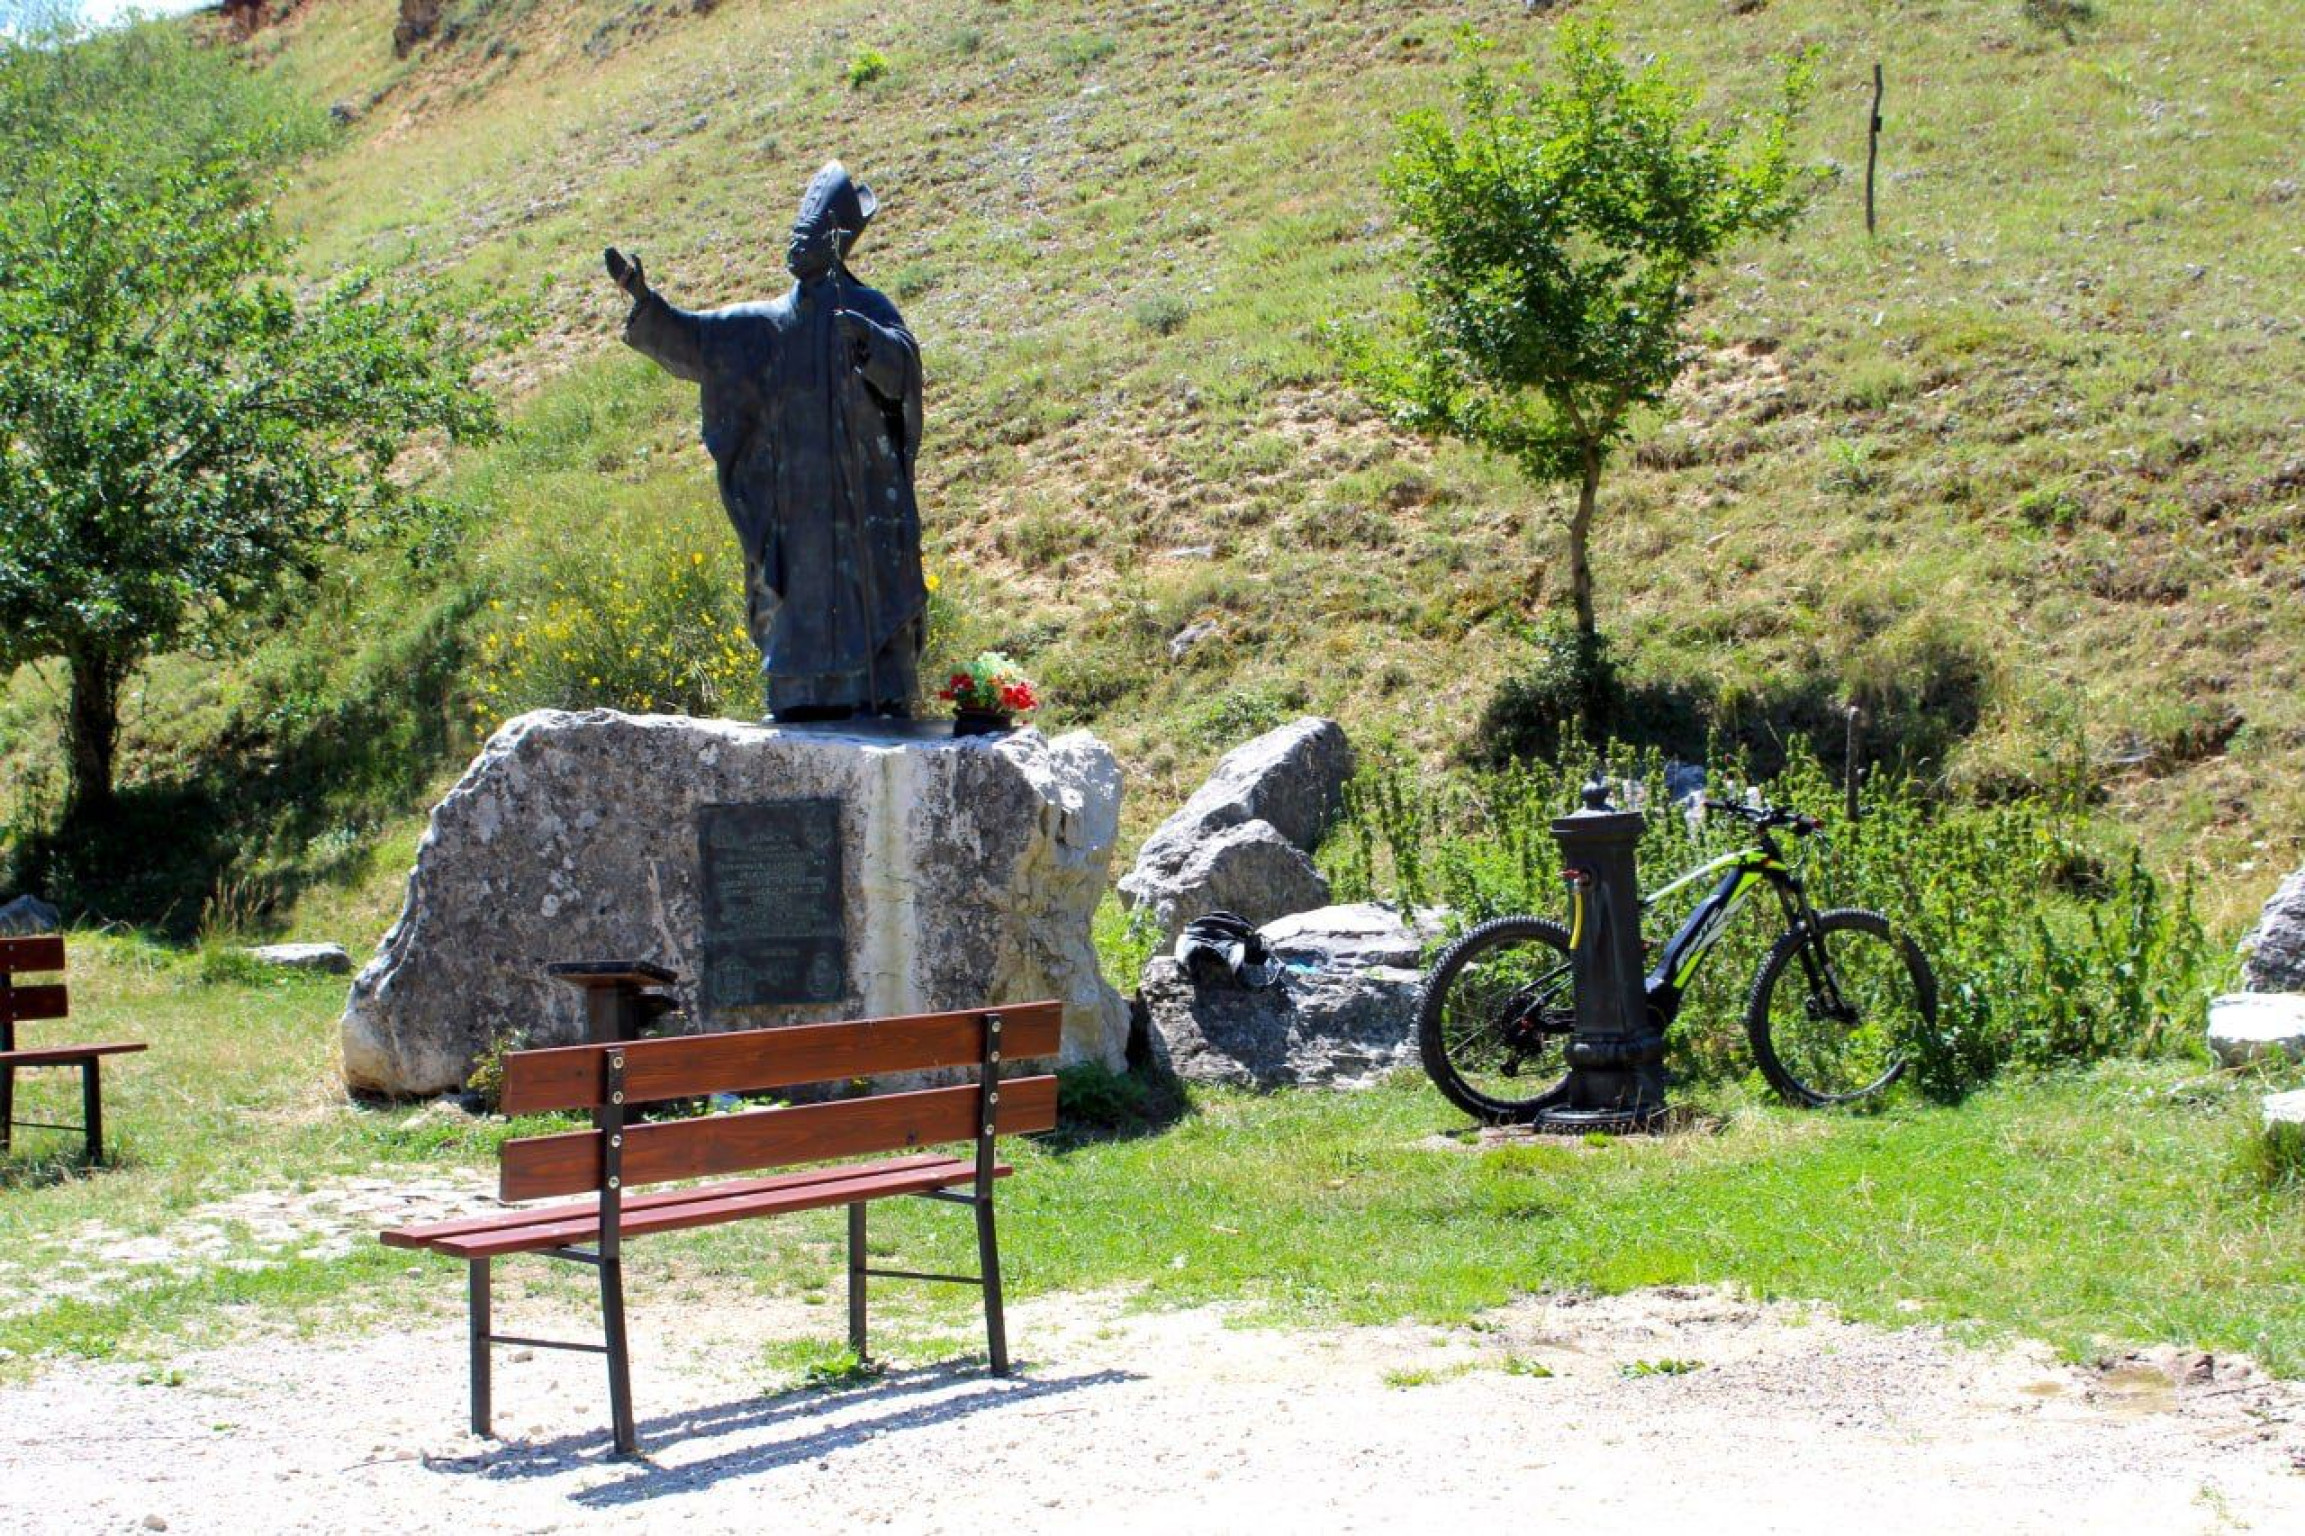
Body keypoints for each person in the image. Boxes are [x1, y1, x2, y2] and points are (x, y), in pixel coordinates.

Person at [605, 162, 926, 720]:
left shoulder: (870, 309)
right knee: (800, 613)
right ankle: (804, 697)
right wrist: (644, 301)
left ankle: (877, 689)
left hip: (862, 511)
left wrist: (866, 341)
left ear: (839, 243)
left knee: (869, 622)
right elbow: (698, 342)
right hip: (797, 517)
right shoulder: (765, 326)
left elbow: (903, 376)